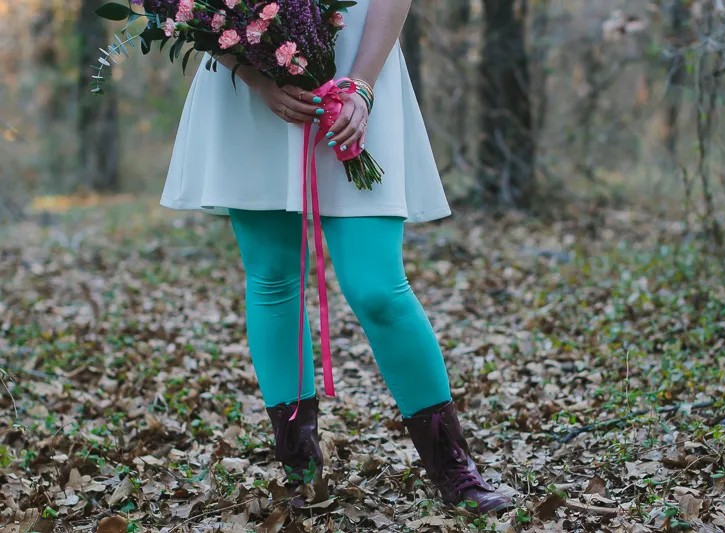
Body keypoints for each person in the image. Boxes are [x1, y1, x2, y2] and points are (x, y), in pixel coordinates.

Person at [159, 0, 512, 514]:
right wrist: (260, 80)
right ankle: (301, 469)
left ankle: (454, 469)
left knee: (378, 288)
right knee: (274, 279)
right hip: (250, 83)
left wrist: (363, 85)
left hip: (358, 63)